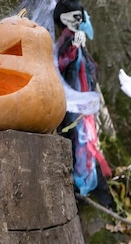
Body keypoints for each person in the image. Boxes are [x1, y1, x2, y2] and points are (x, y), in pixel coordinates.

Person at [54, 0, 114, 208]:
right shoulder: (67, 41)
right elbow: (61, 64)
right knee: (79, 142)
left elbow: (88, 69)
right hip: (72, 105)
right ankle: (83, 191)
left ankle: (93, 193)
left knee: (86, 143)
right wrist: (74, 47)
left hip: (82, 102)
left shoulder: (77, 40)